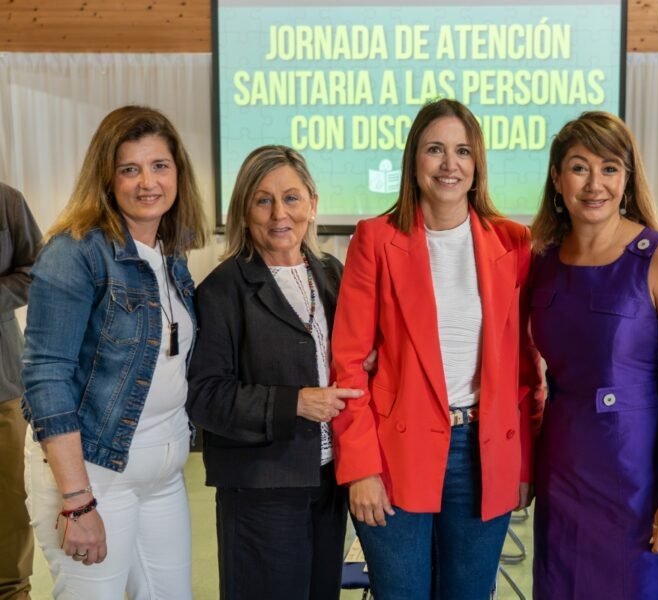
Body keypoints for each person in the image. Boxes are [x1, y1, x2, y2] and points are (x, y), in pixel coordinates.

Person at [330, 98, 544, 599]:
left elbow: (524, 370)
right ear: (414, 161)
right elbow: (348, 364)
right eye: (435, 150)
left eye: (463, 151)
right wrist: (360, 467)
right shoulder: (375, 239)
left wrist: (522, 465)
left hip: (483, 453)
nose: (450, 164)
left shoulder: (513, 243)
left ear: (477, 165)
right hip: (395, 452)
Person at [21, 105, 207, 599]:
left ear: (177, 174)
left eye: (159, 166)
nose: (147, 182)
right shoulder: (75, 252)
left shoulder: (171, 256)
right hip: (94, 479)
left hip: (162, 477)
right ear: (106, 178)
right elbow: (45, 378)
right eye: (130, 169)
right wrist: (78, 502)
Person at [528, 111, 658, 599]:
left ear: (627, 179)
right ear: (558, 179)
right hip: (561, 468)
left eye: (609, 168)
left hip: (639, 474)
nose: (594, 183)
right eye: (579, 167)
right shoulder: (540, 262)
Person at [187, 145, 369, 600]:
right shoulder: (223, 289)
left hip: (327, 481)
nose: (278, 214)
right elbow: (206, 397)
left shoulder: (332, 274)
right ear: (243, 211)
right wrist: (296, 402)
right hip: (260, 490)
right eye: (262, 200)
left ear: (312, 202)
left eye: (291, 198)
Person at [0, 183, 42, 600]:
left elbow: (35, 270)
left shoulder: (6, 201)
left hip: (1, 383)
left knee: (8, 499)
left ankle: (13, 590)